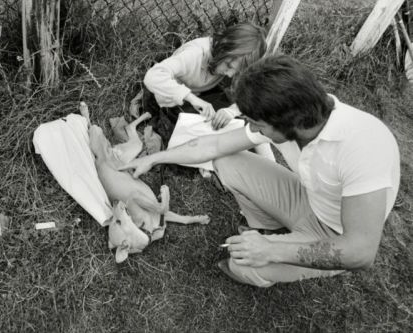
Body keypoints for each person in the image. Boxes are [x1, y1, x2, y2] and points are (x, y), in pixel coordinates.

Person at [121, 55, 401, 287]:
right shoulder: (301, 112)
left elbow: (360, 252)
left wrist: (271, 249)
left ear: (288, 121)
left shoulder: (363, 147)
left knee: (240, 264)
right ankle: (268, 227)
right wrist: (154, 158)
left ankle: (270, 244)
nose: (252, 130)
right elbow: (215, 144)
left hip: (335, 235)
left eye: (257, 124)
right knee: (225, 159)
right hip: (308, 199)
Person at [143, 21, 275, 163]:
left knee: (252, 116)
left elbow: (254, 92)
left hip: (204, 94)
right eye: (229, 66)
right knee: (212, 135)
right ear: (224, 47)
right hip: (174, 101)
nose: (230, 74)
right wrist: (191, 98)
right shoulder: (196, 53)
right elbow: (152, 76)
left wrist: (231, 111)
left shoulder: (234, 60)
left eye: (235, 71)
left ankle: (273, 166)